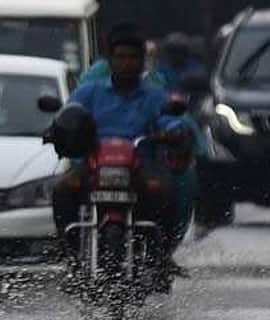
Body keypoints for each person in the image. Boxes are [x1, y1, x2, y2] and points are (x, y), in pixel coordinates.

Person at [52, 23, 187, 284]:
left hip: (140, 165)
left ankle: (161, 258)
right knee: (62, 190)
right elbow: (69, 115)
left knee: (167, 191)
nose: (126, 63)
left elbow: (169, 121)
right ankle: (70, 258)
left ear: (142, 61)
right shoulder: (90, 92)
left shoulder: (154, 96)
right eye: (120, 57)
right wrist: (56, 130)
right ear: (109, 60)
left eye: (133, 57)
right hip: (94, 164)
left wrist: (172, 132)